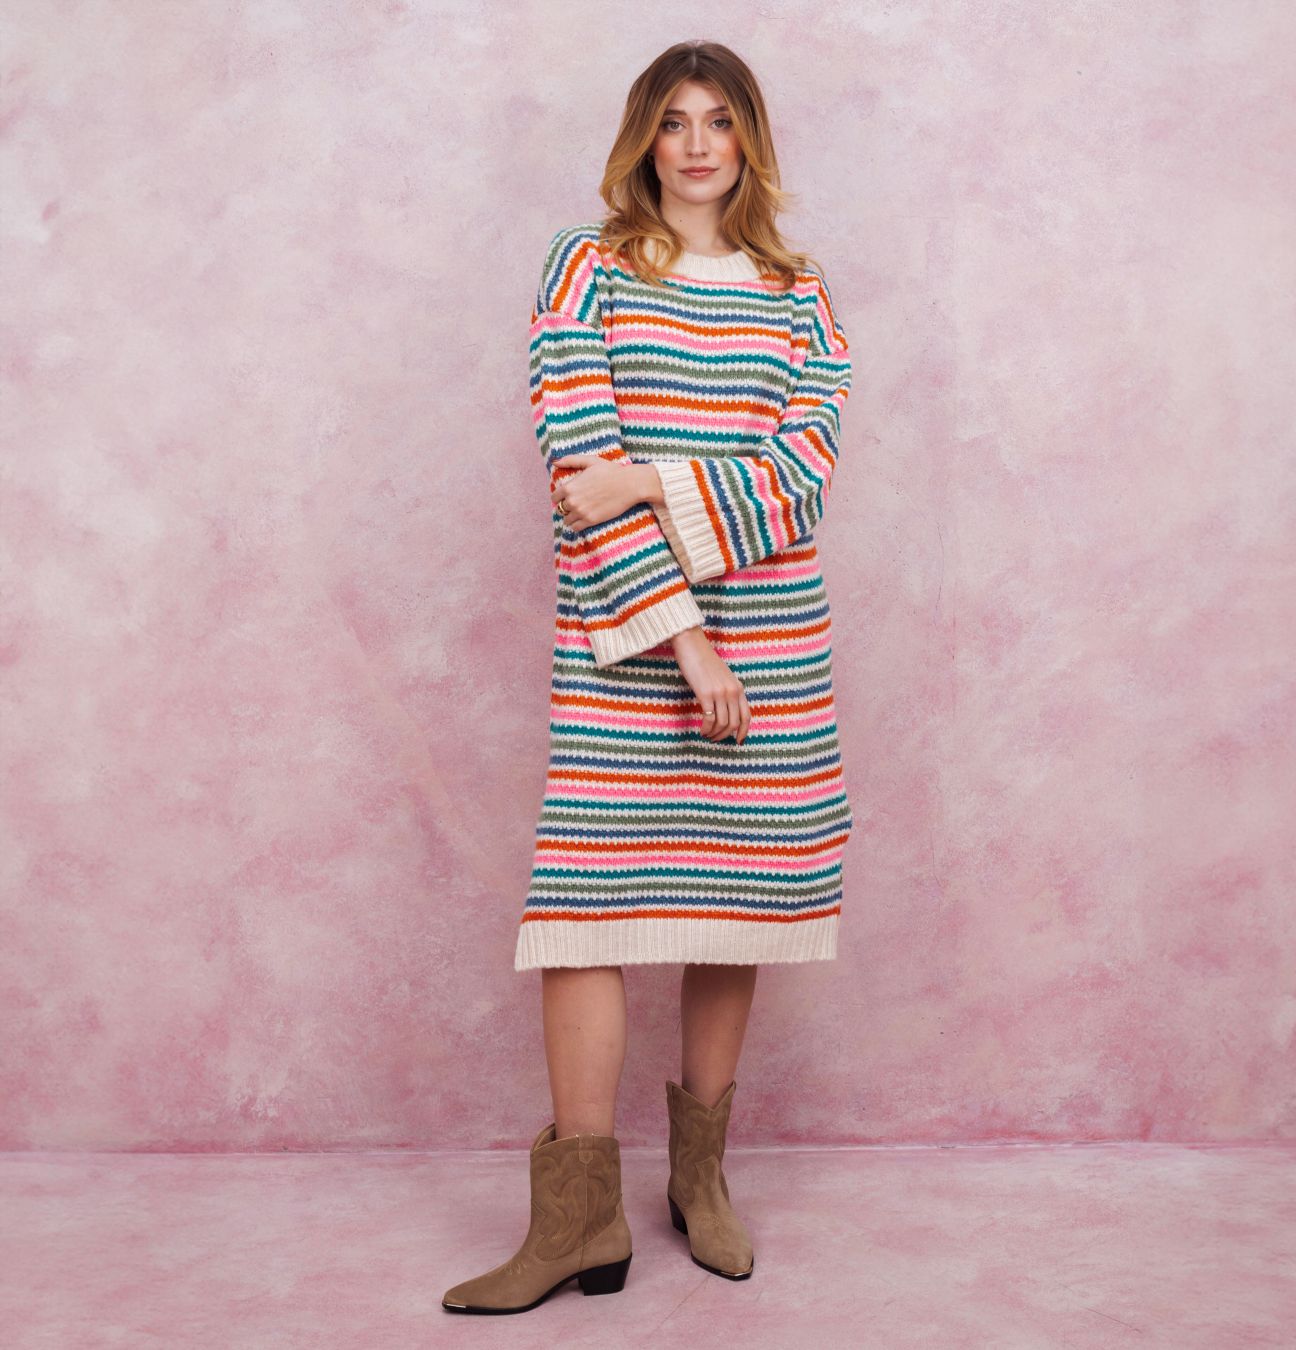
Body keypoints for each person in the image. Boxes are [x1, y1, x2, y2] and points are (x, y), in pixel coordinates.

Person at [443, 38, 855, 1315]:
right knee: (586, 907)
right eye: (673, 121)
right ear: (643, 138)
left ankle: (701, 1182)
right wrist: (683, 637)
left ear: (748, 141)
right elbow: (579, 469)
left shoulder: (800, 292)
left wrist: (651, 479)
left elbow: (801, 481)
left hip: (773, 639)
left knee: (736, 905)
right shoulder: (589, 266)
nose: (695, 146)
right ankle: (577, 1223)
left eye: (718, 121)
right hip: (628, 639)